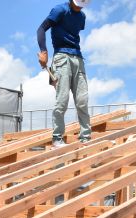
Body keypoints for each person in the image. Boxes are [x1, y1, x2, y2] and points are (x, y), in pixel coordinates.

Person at [37, 0, 91, 148]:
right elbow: (41, 29)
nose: (80, 5)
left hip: (78, 58)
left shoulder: (82, 17)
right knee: (62, 100)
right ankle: (57, 138)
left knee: (82, 100)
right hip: (61, 57)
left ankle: (86, 137)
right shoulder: (59, 10)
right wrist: (44, 51)